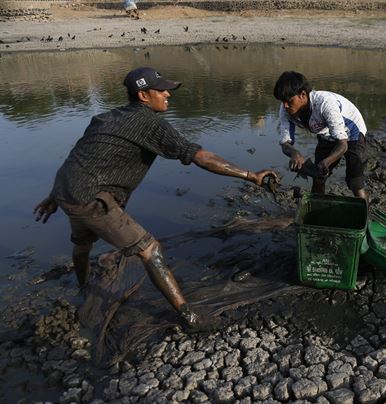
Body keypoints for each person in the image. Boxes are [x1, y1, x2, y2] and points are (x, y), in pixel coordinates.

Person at [33, 67, 278, 332]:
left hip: (68, 191)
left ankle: (83, 288)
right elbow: (199, 156)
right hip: (92, 200)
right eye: (160, 90)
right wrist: (251, 175)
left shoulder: (106, 117)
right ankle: (188, 316)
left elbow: (78, 156)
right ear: (143, 96)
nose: (167, 95)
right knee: (151, 250)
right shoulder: (149, 122)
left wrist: (54, 196)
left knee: (82, 245)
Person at [273, 71, 368, 200]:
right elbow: (285, 143)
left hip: (352, 132)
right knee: (318, 176)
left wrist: (326, 162)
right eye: (283, 101)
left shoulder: (325, 104)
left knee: (355, 181)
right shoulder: (285, 109)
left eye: (289, 101)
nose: (285, 106)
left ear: (303, 95)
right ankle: (316, 209)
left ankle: (364, 211)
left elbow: (342, 144)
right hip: (326, 133)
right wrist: (294, 153)